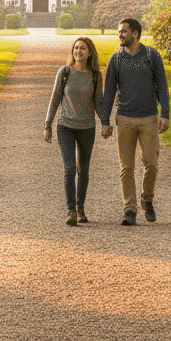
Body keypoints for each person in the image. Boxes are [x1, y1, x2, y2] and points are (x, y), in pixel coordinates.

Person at [100, 17, 170, 226]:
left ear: (136, 34)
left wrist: (165, 114)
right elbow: (109, 92)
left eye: (124, 31)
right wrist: (105, 120)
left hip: (149, 117)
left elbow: (162, 87)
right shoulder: (116, 59)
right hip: (125, 118)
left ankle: (147, 199)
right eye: (119, 31)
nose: (120, 35)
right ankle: (129, 210)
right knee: (126, 167)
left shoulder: (151, 56)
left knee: (151, 163)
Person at [45, 37, 104, 226]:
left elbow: (98, 102)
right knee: (70, 168)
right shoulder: (64, 72)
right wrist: (48, 125)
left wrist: (105, 122)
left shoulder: (95, 75)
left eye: (83, 48)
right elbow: (55, 99)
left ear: (89, 52)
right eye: (76, 48)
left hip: (87, 127)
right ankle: (71, 210)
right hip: (66, 127)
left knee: (83, 170)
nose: (78, 51)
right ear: (72, 51)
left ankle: (80, 207)